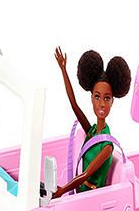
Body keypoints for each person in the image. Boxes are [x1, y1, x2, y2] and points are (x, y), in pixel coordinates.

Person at [52, 46, 132, 197]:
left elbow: (86, 174)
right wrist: (63, 70)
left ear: (112, 101)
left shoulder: (106, 146)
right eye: (97, 97)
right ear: (91, 98)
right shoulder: (92, 131)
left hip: (92, 199)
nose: (101, 104)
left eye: (106, 98)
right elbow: (74, 105)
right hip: (81, 193)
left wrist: (62, 191)